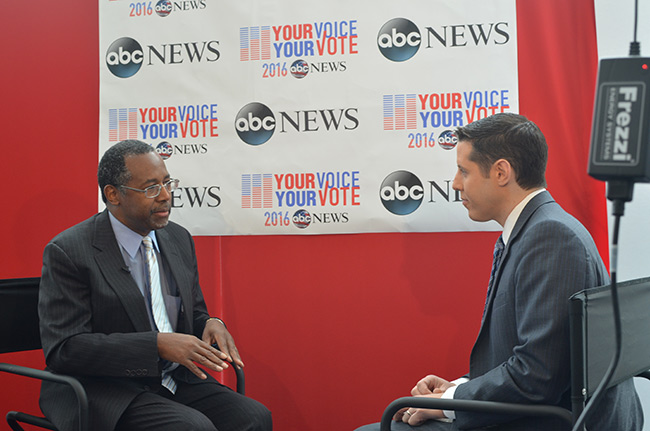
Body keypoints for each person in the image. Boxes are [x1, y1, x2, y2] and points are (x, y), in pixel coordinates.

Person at [356, 113, 643, 431]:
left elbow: (538, 377)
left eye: (464, 170)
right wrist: (457, 389)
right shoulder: (533, 229)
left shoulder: (551, 237)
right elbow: (527, 358)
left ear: (501, 172)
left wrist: (452, 402)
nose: (455, 183)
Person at [38, 140, 272, 431]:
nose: (165, 196)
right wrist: (157, 345)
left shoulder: (178, 238)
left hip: (173, 379)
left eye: (167, 183)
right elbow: (65, 349)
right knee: (191, 427)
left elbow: (192, 314)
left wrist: (211, 323)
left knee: (253, 417)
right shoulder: (70, 251)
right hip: (104, 387)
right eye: (150, 188)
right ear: (113, 195)